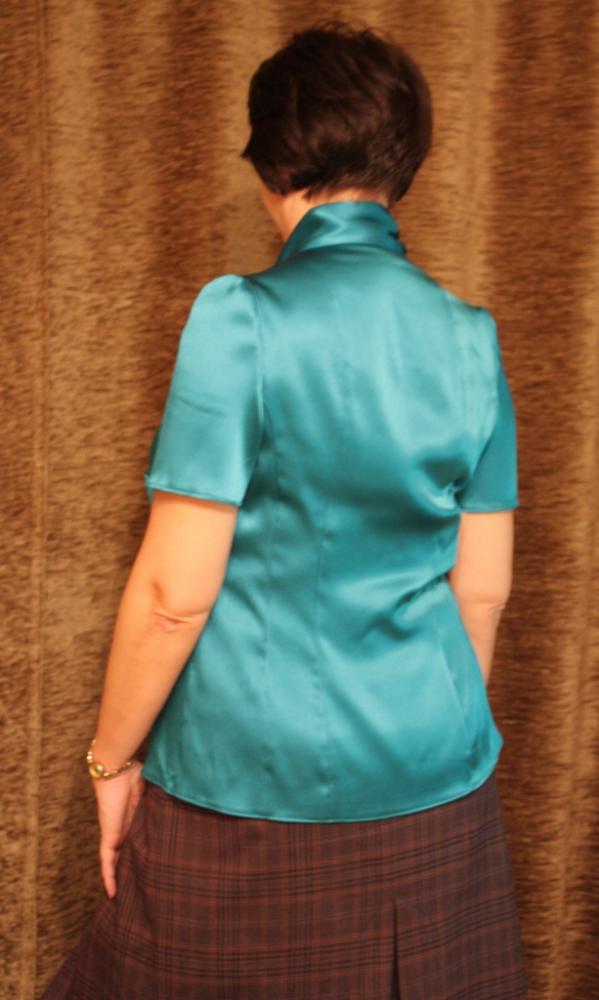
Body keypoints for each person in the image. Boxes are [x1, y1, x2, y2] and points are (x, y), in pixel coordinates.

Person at [40, 18, 528, 1000]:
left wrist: (110, 763)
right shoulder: (469, 338)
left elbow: (174, 596)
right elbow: (481, 591)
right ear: (404, 164)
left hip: (245, 800)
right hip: (436, 790)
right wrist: (417, 737)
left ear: (271, 162)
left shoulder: (240, 317)